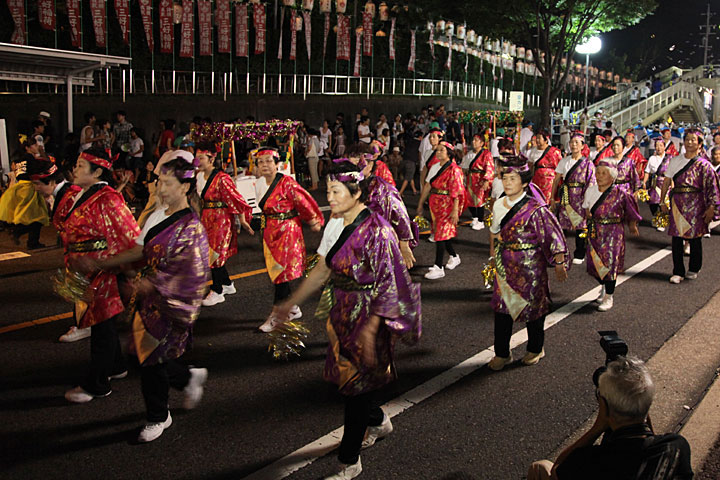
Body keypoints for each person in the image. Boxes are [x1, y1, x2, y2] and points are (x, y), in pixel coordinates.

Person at [272, 160, 421, 480]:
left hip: (369, 316)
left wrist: (370, 330)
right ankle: (379, 419)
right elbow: (324, 268)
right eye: (328, 191)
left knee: (354, 387)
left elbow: (389, 284)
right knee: (351, 382)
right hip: (342, 313)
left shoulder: (378, 230)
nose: (331, 197)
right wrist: (290, 302)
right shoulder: (335, 225)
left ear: (356, 194)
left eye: (336, 191)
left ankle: (349, 461)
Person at [76, 157, 210, 442]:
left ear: (186, 187)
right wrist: (104, 263)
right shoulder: (156, 216)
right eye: (159, 182)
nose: (160, 188)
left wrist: (153, 284)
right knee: (144, 356)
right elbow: (138, 251)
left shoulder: (192, 227)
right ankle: (186, 378)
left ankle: (158, 416)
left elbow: (194, 275)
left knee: (151, 359)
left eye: (167, 183)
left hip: (167, 303)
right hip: (147, 300)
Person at [528, 356, 693, 480]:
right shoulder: (676, 447)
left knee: (540, 467)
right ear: (647, 405)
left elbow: (558, 469)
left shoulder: (588, 460)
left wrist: (598, 427)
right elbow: (650, 445)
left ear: (604, 406)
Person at [63, 148, 141, 403]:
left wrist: (125, 270)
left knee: (102, 326)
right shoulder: (83, 195)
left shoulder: (108, 199)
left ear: (97, 172)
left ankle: (97, 384)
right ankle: (116, 366)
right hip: (88, 271)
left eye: (80, 165)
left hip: (103, 271)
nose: (75, 169)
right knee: (102, 324)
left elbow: (130, 236)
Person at [488, 156, 567, 370]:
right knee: (502, 309)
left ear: (524, 182)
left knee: (533, 308)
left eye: (513, 179)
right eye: (505, 178)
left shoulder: (536, 208)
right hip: (505, 264)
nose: (507, 183)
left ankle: (535, 348)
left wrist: (559, 261)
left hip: (531, 265)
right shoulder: (498, 205)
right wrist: (493, 258)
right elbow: (494, 234)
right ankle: (502, 353)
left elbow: (553, 234)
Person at [254, 147, 324, 333]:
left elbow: (303, 201)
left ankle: (278, 314)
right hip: (270, 231)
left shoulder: (287, 183)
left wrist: (313, 220)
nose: (265, 165)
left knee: (281, 274)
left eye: (269, 161)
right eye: (261, 162)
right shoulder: (260, 183)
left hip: (287, 231)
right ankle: (292, 308)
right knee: (276, 272)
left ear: (278, 164)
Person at [30, 162, 86, 342]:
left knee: (83, 289)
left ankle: (85, 325)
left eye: (39, 184)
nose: (36, 188)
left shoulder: (71, 195)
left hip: (85, 253)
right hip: (77, 252)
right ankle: (84, 323)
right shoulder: (64, 193)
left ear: (52, 181)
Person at [195, 142, 253, 305]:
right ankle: (227, 283)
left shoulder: (222, 178)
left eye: (201, 158)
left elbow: (237, 199)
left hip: (220, 220)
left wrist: (242, 220)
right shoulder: (199, 176)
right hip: (206, 218)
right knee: (210, 252)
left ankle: (217, 290)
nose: (198, 161)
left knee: (215, 254)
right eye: (197, 157)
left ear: (212, 159)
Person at [659, 129, 720, 284]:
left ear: (700, 144)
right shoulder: (675, 161)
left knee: (695, 238)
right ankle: (678, 271)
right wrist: (662, 201)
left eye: (694, 140)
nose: (690, 142)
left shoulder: (704, 165)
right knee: (677, 238)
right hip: (677, 203)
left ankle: (694, 267)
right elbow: (666, 181)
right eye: (687, 139)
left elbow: (713, 187)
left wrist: (712, 207)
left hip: (696, 204)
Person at [583, 160, 642, 311]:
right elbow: (586, 209)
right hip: (595, 230)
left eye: (604, 173)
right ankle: (603, 286)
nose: (600, 176)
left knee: (610, 264)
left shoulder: (621, 193)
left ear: (612, 177)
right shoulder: (591, 190)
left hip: (613, 232)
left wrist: (632, 225)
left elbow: (631, 211)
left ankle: (609, 296)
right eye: (598, 172)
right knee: (596, 263)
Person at [416, 141, 465, 280]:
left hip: (447, 205)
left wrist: (455, 210)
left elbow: (456, 191)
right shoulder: (435, 167)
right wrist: (420, 204)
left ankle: (438, 267)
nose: (438, 153)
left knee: (441, 234)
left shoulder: (454, 169)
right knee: (440, 233)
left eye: (441, 150)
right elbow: (427, 186)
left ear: (449, 153)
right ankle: (454, 256)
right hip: (435, 204)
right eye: (437, 150)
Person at [550, 134, 596, 264]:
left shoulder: (588, 163)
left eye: (577, 142)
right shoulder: (564, 161)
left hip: (581, 197)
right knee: (561, 226)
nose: (574, 145)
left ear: (582, 146)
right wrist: (552, 198)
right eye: (572, 142)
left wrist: (588, 203)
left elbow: (591, 184)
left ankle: (580, 253)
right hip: (566, 196)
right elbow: (556, 180)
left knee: (580, 226)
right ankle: (560, 253)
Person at [0, 137, 50, 249]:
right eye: (35, 145)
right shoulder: (31, 159)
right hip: (29, 187)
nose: (37, 147)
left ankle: (31, 240)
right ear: (28, 148)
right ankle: (20, 233)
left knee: (32, 215)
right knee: (38, 216)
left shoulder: (19, 160)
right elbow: (41, 170)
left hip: (20, 187)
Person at [461, 133, 494, 231]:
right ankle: (474, 217)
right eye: (473, 140)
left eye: (476, 140)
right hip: (471, 179)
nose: (473, 142)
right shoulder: (469, 154)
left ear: (482, 143)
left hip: (480, 179)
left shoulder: (486, 154)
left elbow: (490, 168)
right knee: (469, 199)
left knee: (480, 200)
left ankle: (480, 221)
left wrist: (487, 180)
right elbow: (464, 166)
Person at [644, 139, 671, 231]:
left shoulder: (669, 159)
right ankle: (656, 217)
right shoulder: (652, 158)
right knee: (653, 203)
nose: (659, 148)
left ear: (664, 147)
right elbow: (647, 171)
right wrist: (644, 182)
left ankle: (661, 222)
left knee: (663, 203)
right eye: (657, 145)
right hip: (655, 183)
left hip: (666, 183)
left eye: (661, 145)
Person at [531, 130, 563, 202]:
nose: (537, 140)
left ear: (546, 140)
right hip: (537, 180)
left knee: (547, 200)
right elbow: (530, 166)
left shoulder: (555, 151)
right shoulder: (533, 151)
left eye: (539, 138)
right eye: (537, 138)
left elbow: (560, 167)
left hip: (550, 181)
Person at [399, 130, 422, 196]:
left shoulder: (410, 141)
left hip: (404, 160)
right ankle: (400, 192)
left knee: (410, 176)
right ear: (420, 137)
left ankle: (414, 190)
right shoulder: (419, 143)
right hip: (411, 161)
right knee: (407, 178)